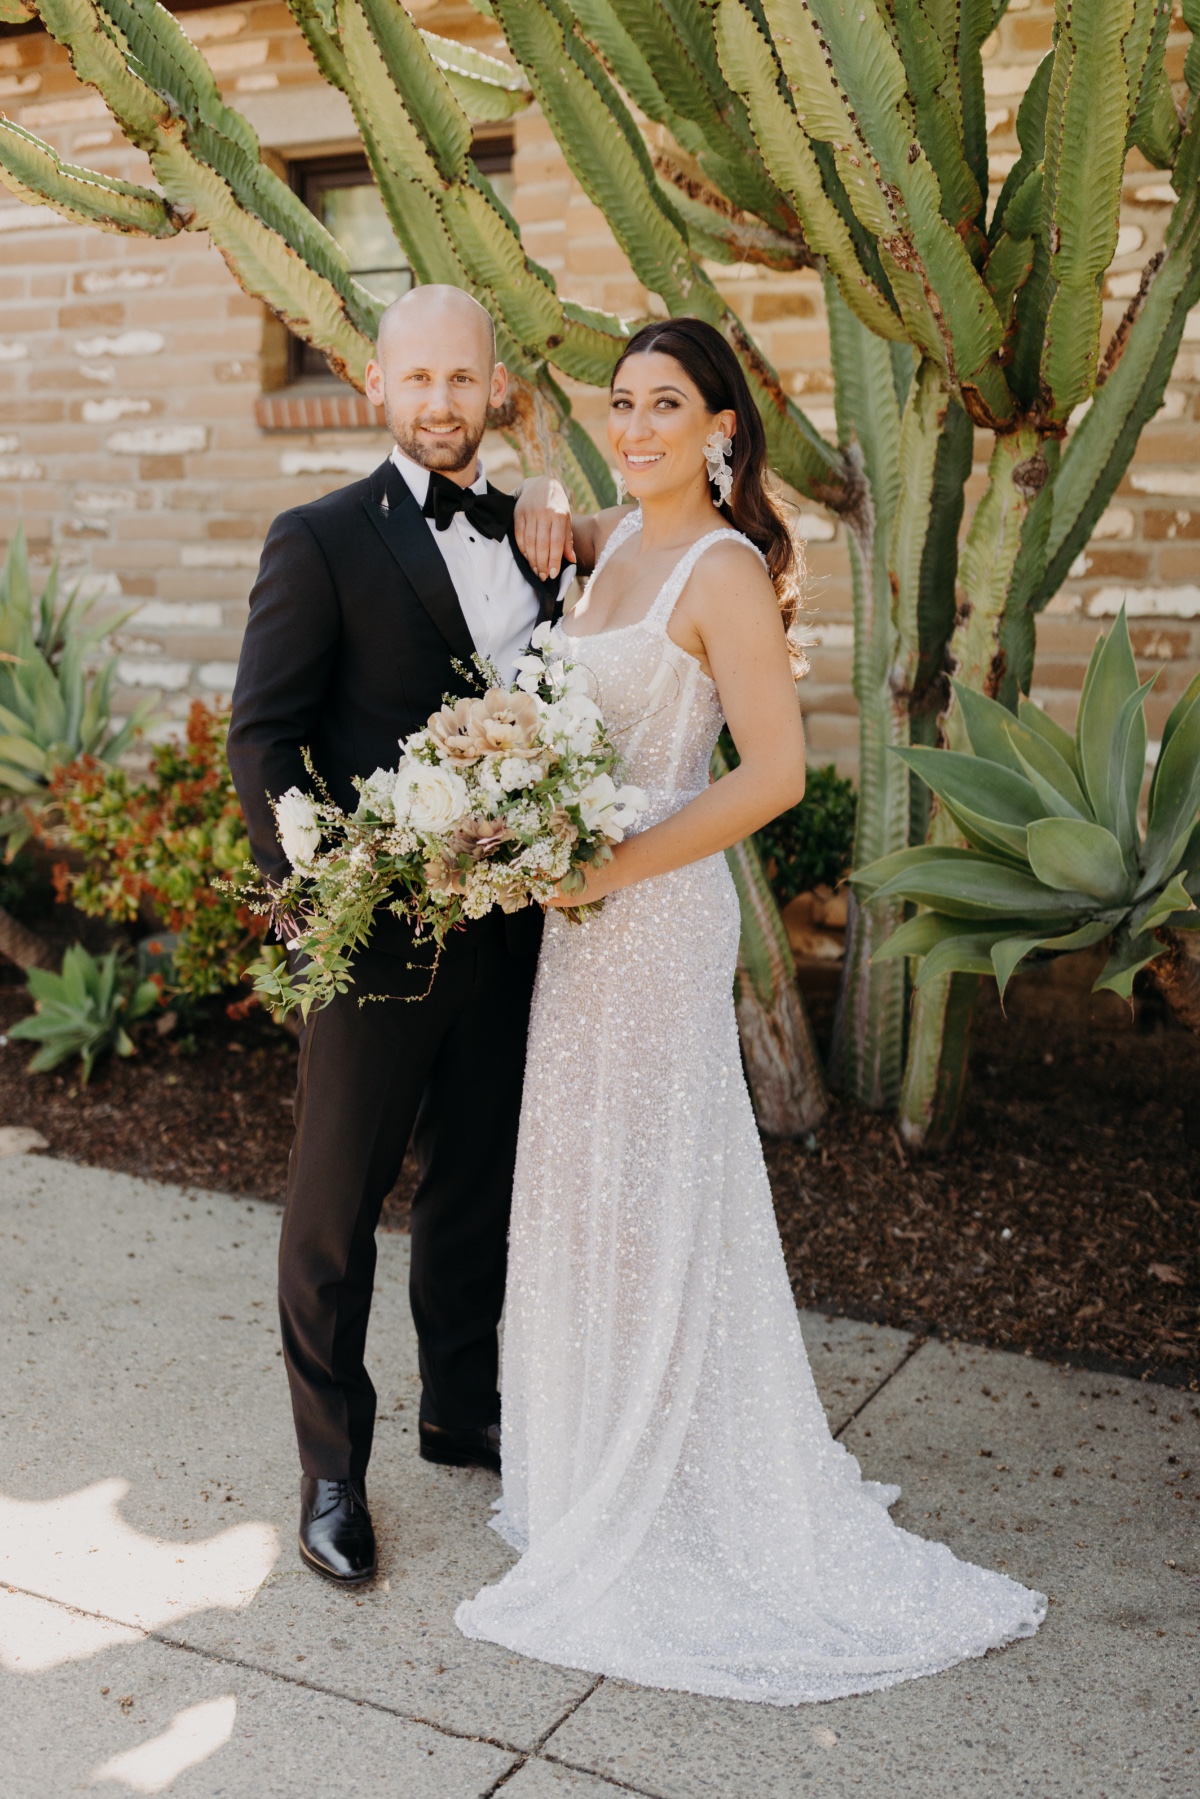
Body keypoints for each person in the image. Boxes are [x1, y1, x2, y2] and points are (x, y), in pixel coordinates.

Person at [456, 316, 1046, 1702]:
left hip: (647, 914)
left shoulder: (720, 569)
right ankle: (600, 1461)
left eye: (670, 403)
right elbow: (567, 524)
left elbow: (772, 776)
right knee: (586, 1189)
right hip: (580, 920)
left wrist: (603, 862)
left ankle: (678, 1483)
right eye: (623, 402)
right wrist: (547, 506)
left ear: (723, 426)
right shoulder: (620, 546)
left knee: (659, 1186)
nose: (642, 423)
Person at [227, 286, 569, 1585]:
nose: (439, 403)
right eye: (416, 380)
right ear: (377, 384)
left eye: (461, 380)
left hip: (510, 933)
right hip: (374, 938)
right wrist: (321, 889)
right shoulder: (316, 540)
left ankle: (458, 1409)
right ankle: (328, 1468)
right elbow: (263, 738)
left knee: (478, 1185)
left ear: (496, 387)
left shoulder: (541, 536)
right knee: (335, 1206)